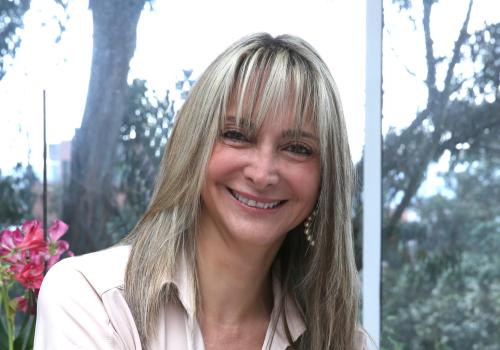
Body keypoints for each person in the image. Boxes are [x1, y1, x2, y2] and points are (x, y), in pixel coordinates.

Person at [34, 33, 370, 349]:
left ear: (326, 178)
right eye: (237, 135)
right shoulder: (93, 299)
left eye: (297, 148)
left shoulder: (340, 339)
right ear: (193, 147)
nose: (263, 173)